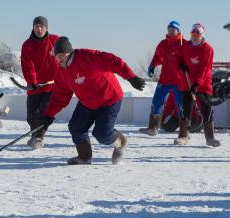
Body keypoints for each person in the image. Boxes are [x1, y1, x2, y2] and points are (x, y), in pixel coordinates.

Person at [40, 36, 146, 165]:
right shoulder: (62, 72)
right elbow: (60, 96)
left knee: (102, 134)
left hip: (109, 98)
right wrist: (48, 116)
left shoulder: (87, 57)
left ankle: (121, 141)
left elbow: (113, 61)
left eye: (63, 55)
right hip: (87, 103)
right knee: (76, 127)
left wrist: (131, 77)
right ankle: (84, 157)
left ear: (70, 52)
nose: (60, 59)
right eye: (57, 56)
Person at [174, 23, 220, 147]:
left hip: (203, 84)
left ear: (202, 35)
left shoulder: (208, 48)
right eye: (193, 34)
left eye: (197, 34)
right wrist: (180, 65)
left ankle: (210, 137)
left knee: (206, 109)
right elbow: (178, 58)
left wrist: (196, 84)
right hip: (187, 82)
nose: (194, 36)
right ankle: (183, 135)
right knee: (185, 109)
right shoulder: (185, 46)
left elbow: (205, 69)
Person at [139, 20, 185, 136]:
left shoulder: (184, 44)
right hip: (165, 79)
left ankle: (184, 132)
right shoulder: (163, 43)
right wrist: (152, 65)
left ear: (178, 30)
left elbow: (189, 60)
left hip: (179, 80)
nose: (170, 31)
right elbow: (157, 57)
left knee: (181, 105)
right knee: (156, 102)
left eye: (173, 29)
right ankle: (153, 128)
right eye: (169, 29)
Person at [21, 16, 59, 149]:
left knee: (45, 113)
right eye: (36, 26)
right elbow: (28, 66)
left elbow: (66, 54)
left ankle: (39, 137)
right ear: (33, 28)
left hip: (53, 86)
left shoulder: (55, 41)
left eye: (42, 26)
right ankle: (35, 134)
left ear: (46, 27)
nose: (39, 28)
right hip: (35, 87)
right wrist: (33, 82)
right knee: (31, 117)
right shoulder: (27, 45)